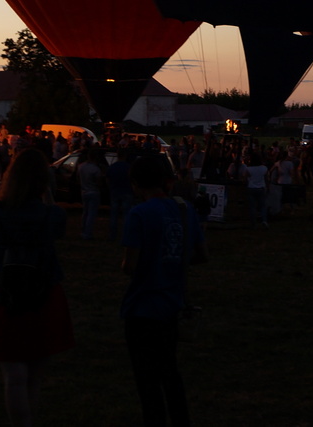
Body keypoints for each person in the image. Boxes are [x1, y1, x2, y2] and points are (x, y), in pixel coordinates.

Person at [0, 148, 73, 427]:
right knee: (34, 373)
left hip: (7, 291)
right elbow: (58, 229)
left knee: (13, 374)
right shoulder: (52, 216)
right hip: (44, 292)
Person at [121, 153, 207, 427]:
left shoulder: (139, 214)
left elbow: (130, 265)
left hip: (142, 308)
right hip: (173, 305)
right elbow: (201, 255)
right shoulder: (184, 210)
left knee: (147, 381)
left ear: (136, 184)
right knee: (170, 373)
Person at [77, 149, 104, 240]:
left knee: (85, 212)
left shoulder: (81, 166)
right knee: (91, 214)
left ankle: (83, 230)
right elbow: (99, 182)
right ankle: (87, 233)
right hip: (93, 191)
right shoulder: (96, 169)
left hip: (84, 191)